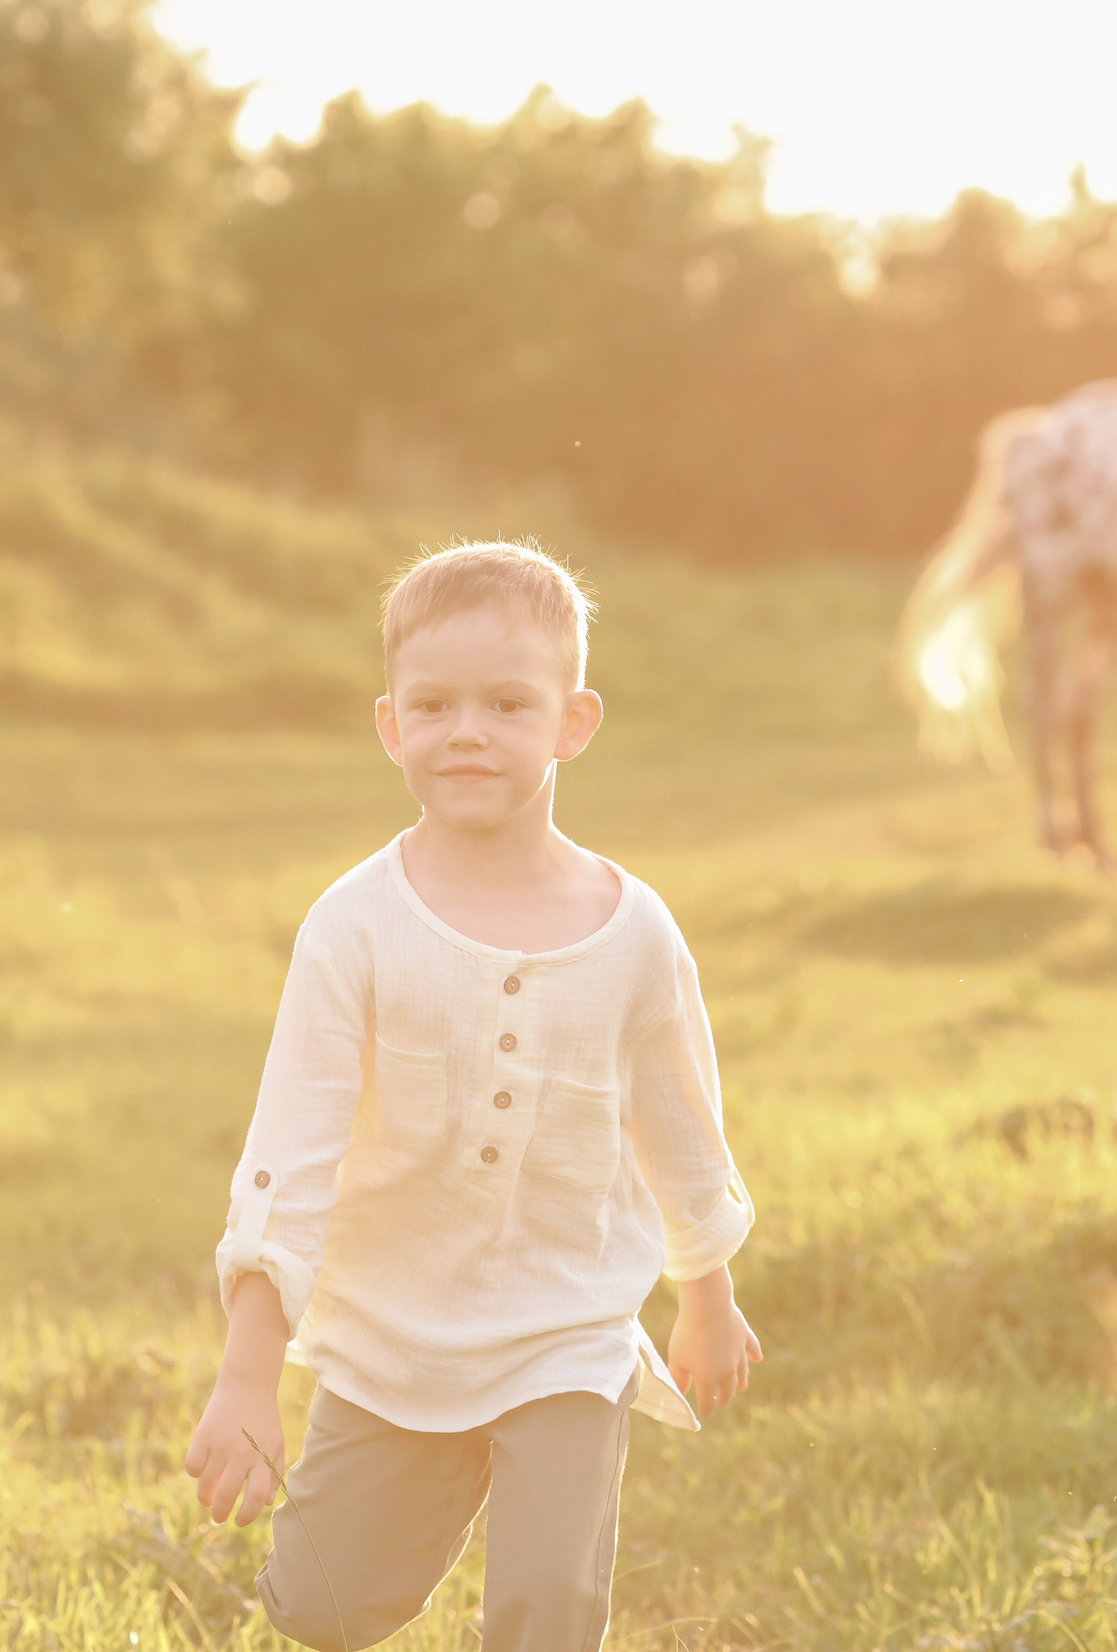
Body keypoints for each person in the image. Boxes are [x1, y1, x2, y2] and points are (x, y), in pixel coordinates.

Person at [183, 538, 762, 1652]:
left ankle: (537, 1473)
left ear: (572, 722)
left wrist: (706, 1294)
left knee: (546, 1608)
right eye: (434, 705)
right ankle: (449, 1460)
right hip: (392, 1330)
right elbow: (290, 1156)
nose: (467, 732)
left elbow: (680, 1127)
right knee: (323, 1606)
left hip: (567, 1327)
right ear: (390, 725)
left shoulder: (634, 933)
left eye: (507, 704)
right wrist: (247, 1380)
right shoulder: (352, 927)